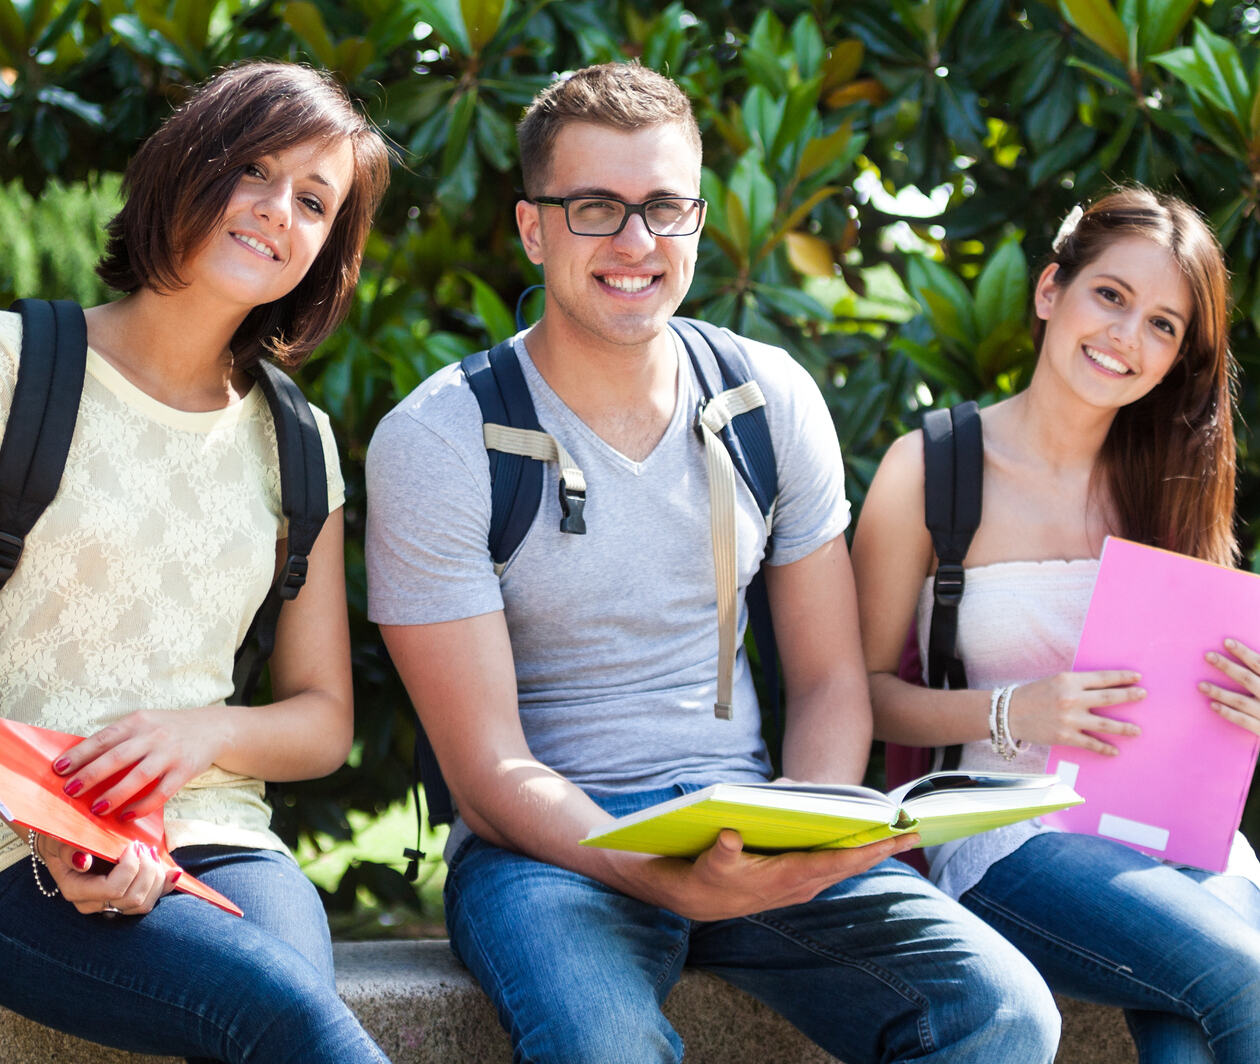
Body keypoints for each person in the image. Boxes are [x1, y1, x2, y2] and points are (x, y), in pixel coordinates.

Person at [366, 61, 1058, 1064]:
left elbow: (827, 680)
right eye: (597, 207)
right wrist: (659, 871)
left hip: (747, 821)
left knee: (1001, 1013)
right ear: (533, 228)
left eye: (664, 207)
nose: (636, 242)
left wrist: (805, 829)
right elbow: (486, 774)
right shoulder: (442, 436)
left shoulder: (764, 397)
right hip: (550, 852)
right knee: (605, 1047)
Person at [0, 61, 392, 1063]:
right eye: (255, 168)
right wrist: (55, 820)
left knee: (292, 1007)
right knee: (289, 1023)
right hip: (16, 839)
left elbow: (322, 720)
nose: (275, 210)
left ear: (325, 251)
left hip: (220, 833)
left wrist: (199, 729)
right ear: (191, 162)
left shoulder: (297, 444)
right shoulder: (14, 367)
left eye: (314, 200)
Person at [852, 187, 1260, 1063]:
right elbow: (858, 697)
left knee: (1191, 1030)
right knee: (1243, 975)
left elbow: (1198, 702)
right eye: (1110, 296)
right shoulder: (932, 468)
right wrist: (1012, 713)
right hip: (1000, 827)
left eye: (1163, 324)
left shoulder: (1173, 485)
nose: (1125, 337)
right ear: (1050, 292)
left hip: (1172, 833)